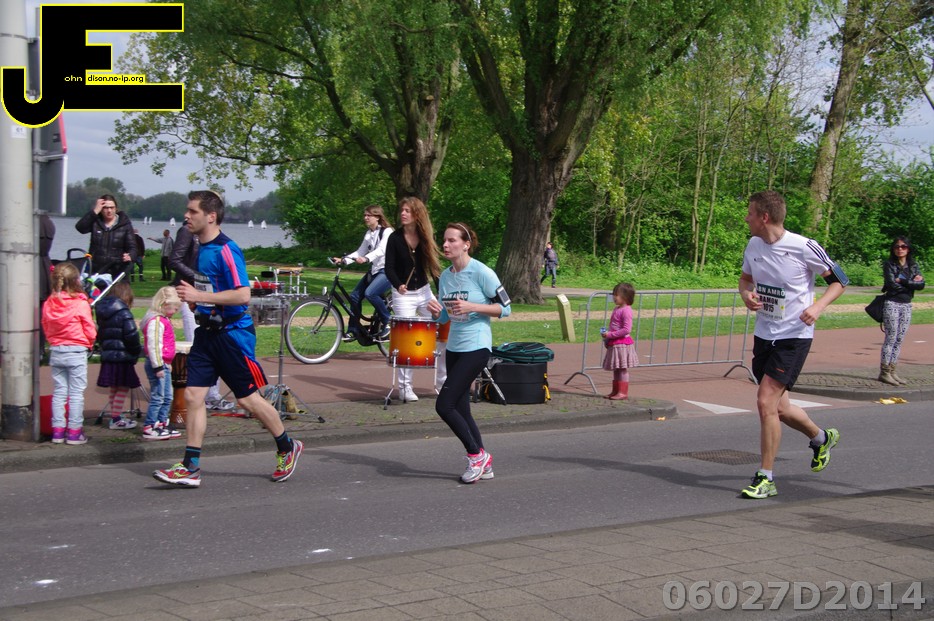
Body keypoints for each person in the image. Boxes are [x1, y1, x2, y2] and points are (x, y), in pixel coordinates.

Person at [153, 190, 303, 488]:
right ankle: (190, 467)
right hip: (207, 333)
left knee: (247, 400)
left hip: (233, 336)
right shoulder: (200, 248)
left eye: (193, 211)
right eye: (187, 211)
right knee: (193, 396)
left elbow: (243, 295)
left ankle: (287, 446)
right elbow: (210, 288)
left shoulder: (226, 249)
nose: (186, 216)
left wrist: (200, 296)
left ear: (211, 216)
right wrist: (198, 303)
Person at [738, 190, 846, 500]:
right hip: (765, 333)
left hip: (794, 336)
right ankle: (821, 437)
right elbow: (745, 279)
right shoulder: (753, 244)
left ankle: (766, 477)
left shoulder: (803, 246)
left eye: (750, 213)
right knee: (780, 409)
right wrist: (746, 296)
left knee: (765, 402)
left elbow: (840, 280)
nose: (746, 218)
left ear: (764, 217)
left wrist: (818, 306)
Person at [427, 223, 511, 483]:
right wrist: (436, 313)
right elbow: (446, 316)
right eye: (444, 240)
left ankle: (476, 455)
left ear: (466, 244)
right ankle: (485, 464)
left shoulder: (482, 272)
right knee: (462, 409)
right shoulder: (446, 276)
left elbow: (506, 308)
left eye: (452, 240)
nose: (445, 245)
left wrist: (473, 306)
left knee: (444, 405)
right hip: (454, 348)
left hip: (477, 346)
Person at [168, 219, 233, 412]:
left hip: (207, 294)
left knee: (215, 342)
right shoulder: (187, 231)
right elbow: (174, 260)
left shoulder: (213, 238)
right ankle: (204, 396)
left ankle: (211, 395)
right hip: (191, 294)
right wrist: (199, 278)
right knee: (198, 343)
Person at [384, 196, 442, 402]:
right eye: (402, 210)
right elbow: (388, 267)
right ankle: (404, 388)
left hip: (424, 292)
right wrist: (398, 284)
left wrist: (441, 294)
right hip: (403, 295)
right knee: (406, 340)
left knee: (442, 328)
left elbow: (434, 267)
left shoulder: (425, 236)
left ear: (417, 214)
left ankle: (443, 382)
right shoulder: (395, 238)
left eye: (407, 210)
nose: (403, 213)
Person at [41, 262, 97, 445]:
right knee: (76, 393)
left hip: (57, 350)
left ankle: (57, 430)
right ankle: (74, 431)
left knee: (59, 392)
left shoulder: (49, 303)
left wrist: (53, 340)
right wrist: (90, 342)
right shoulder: (80, 303)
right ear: (75, 281)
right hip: (76, 350)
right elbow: (89, 327)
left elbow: (45, 325)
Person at [332, 204, 393, 342]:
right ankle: (354, 331)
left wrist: (366, 258)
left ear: (377, 217)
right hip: (375, 270)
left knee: (370, 293)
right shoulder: (369, 234)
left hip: (387, 270)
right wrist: (344, 260)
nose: (365, 218)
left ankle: (388, 321)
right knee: (354, 296)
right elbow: (360, 251)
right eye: (364, 215)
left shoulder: (387, 231)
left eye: (368, 215)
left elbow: (381, 250)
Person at [95, 280, 143, 431]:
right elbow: (131, 335)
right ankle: (116, 418)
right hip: (122, 355)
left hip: (109, 354)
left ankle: (115, 416)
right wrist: (135, 350)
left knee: (114, 387)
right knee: (123, 387)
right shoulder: (124, 312)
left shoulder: (102, 312)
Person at [878, 236, 925, 385]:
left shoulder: (913, 265)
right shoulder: (889, 265)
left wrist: (903, 281)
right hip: (892, 303)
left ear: (908, 249)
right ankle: (884, 372)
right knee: (891, 338)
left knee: (899, 339)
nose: (900, 249)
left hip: (907, 304)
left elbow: (921, 285)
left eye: (903, 246)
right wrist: (911, 284)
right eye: (897, 247)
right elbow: (891, 285)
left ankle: (893, 370)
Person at [141, 287, 183, 440]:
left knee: (167, 396)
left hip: (164, 363)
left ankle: (161, 422)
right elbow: (154, 345)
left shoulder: (163, 320)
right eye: (175, 307)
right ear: (165, 304)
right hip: (158, 364)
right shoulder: (156, 321)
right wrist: (158, 365)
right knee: (158, 396)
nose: (176, 311)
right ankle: (150, 425)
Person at [74, 195, 136, 279]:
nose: (109, 211)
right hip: (95, 269)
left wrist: (130, 256)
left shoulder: (125, 224)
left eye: (112, 207)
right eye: (106, 208)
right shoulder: (95, 222)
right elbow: (80, 228)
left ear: (116, 208)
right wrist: (95, 211)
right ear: (101, 209)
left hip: (117, 270)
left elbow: (132, 247)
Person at [601, 282, 640, 400]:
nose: (614, 297)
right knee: (616, 368)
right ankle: (616, 390)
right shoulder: (617, 309)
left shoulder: (626, 310)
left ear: (625, 297)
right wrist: (607, 337)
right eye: (613, 294)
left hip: (622, 343)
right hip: (615, 343)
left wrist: (610, 334)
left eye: (616, 295)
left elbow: (626, 329)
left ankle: (623, 392)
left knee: (622, 368)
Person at [38, 212, 56, 360]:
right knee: (41, 312)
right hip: (44, 268)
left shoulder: (31, 221)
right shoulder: (48, 222)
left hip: (33, 267)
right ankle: (40, 349)